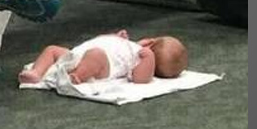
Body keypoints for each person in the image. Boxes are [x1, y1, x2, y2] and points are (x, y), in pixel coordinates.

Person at [18, 30, 188, 85]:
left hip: (103, 65)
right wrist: (116, 36)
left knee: (96, 56)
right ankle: (36, 73)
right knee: (52, 50)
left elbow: (140, 79)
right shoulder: (131, 46)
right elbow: (104, 40)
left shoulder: (142, 58)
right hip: (77, 54)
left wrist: (149, 58)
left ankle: (78, 75)